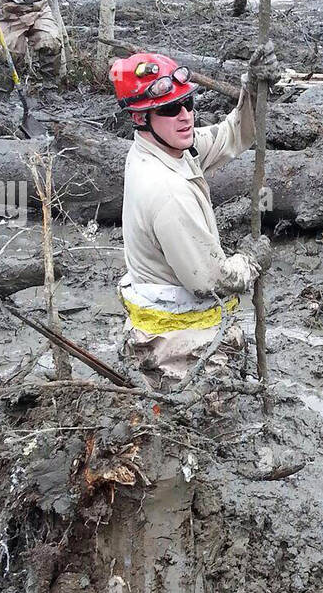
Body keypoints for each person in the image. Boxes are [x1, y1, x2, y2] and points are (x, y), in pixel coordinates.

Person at [111, 47, 276, 387]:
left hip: (168, 328)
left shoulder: (168, 149)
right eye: (170, 109)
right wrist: (250, 262)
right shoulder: (166, 190)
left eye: (188, 103)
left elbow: (233, 134)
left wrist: (255, 91)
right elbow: (209, 281)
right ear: (142, 118)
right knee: (210, 425)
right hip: (178, 348)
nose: (185, 115)